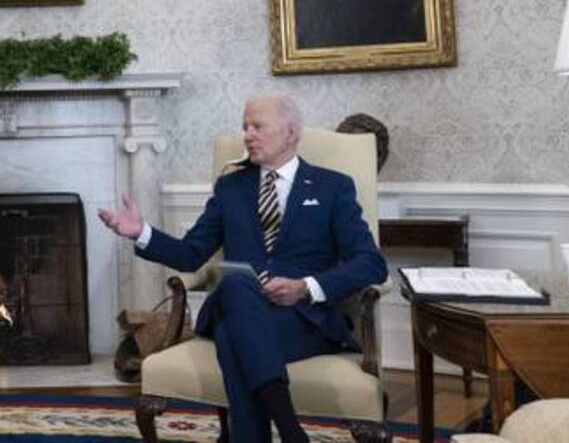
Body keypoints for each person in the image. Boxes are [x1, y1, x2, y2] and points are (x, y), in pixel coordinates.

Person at [98, 95, 387, 443]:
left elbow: (371, 263)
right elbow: (191, 254)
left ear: (291, 133)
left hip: (303, 318)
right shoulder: (231, 187)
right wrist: (141, 232)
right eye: (245, 127)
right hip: (240, 302)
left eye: (258, 127)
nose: (247, 135)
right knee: (236, 286)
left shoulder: (332, 186)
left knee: (232, 337)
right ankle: (290, 427)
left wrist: (306, 286)